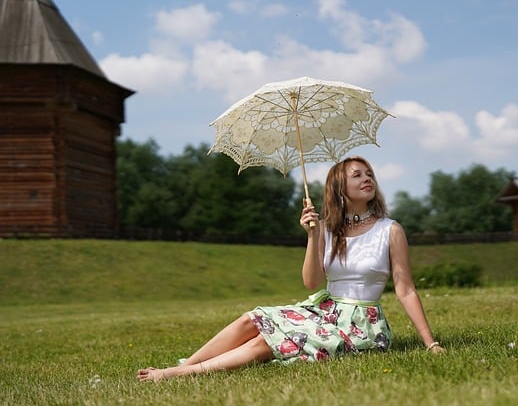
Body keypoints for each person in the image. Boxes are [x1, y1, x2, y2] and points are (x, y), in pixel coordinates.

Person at [137, 156, 444, 381]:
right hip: (326, 310)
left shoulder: (390, 230)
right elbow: (311, 283)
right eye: (356, 175)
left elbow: (405, 289)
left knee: (266, 341)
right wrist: (312, 235)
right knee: (252, 319)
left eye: (369, 175)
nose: (367, 179)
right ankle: (185, 365)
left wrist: (429, 343)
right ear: (339, 188)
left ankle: (177, 374)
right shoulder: (325, 229)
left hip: (362, 324)